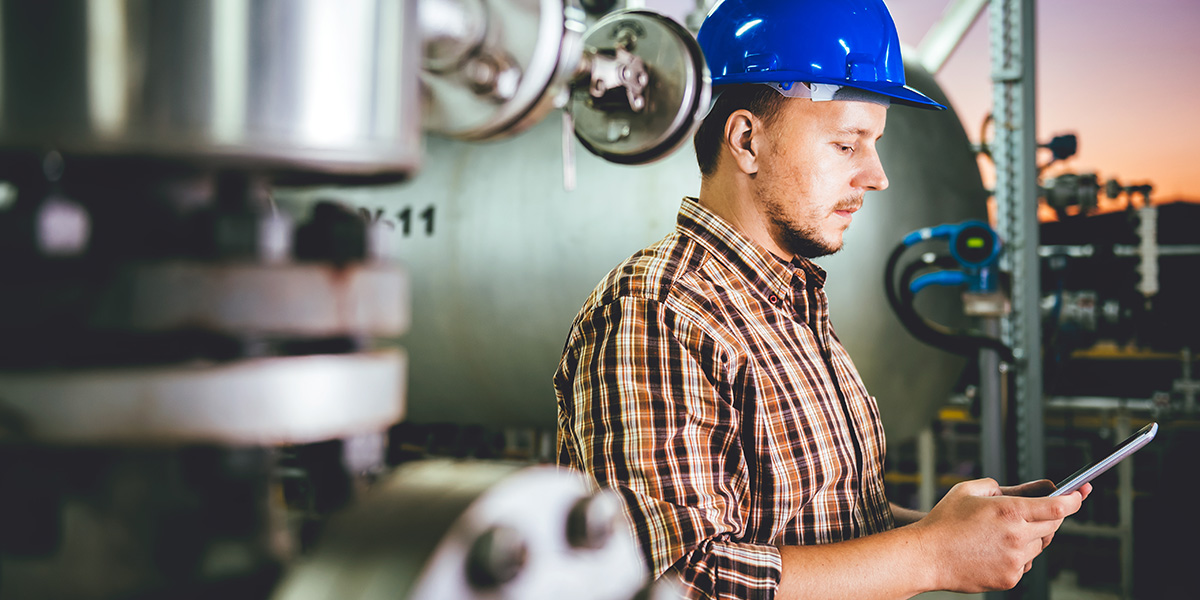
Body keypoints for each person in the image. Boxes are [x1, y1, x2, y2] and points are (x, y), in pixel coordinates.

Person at [554, 0, 1089, 598]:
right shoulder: (658, 313)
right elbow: (679, 582)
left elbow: (822, 526)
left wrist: (956, 530)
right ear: (747, 141)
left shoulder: (791, 303)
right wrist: (933, 555)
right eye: (846, 144)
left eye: (875, 142)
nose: (877, 175)